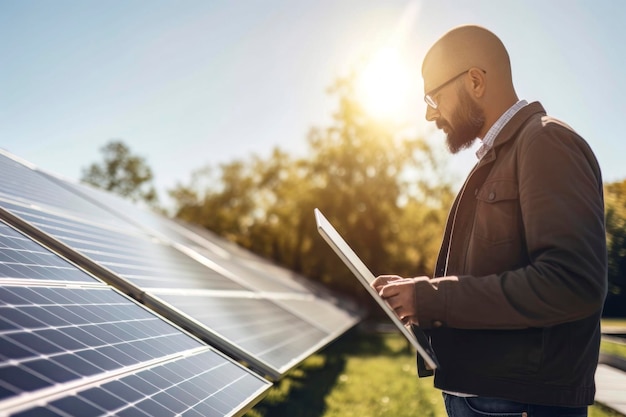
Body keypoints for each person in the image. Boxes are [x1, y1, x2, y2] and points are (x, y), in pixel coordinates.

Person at [371, 25, 607, 417]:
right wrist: (416, 296)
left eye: (433, 97)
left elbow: (572, 284)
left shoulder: (546, 143)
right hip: (490, 401)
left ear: (476, 81)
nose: (430, 114)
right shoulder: (500, 157)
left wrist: (431, 298)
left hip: (521, 405)